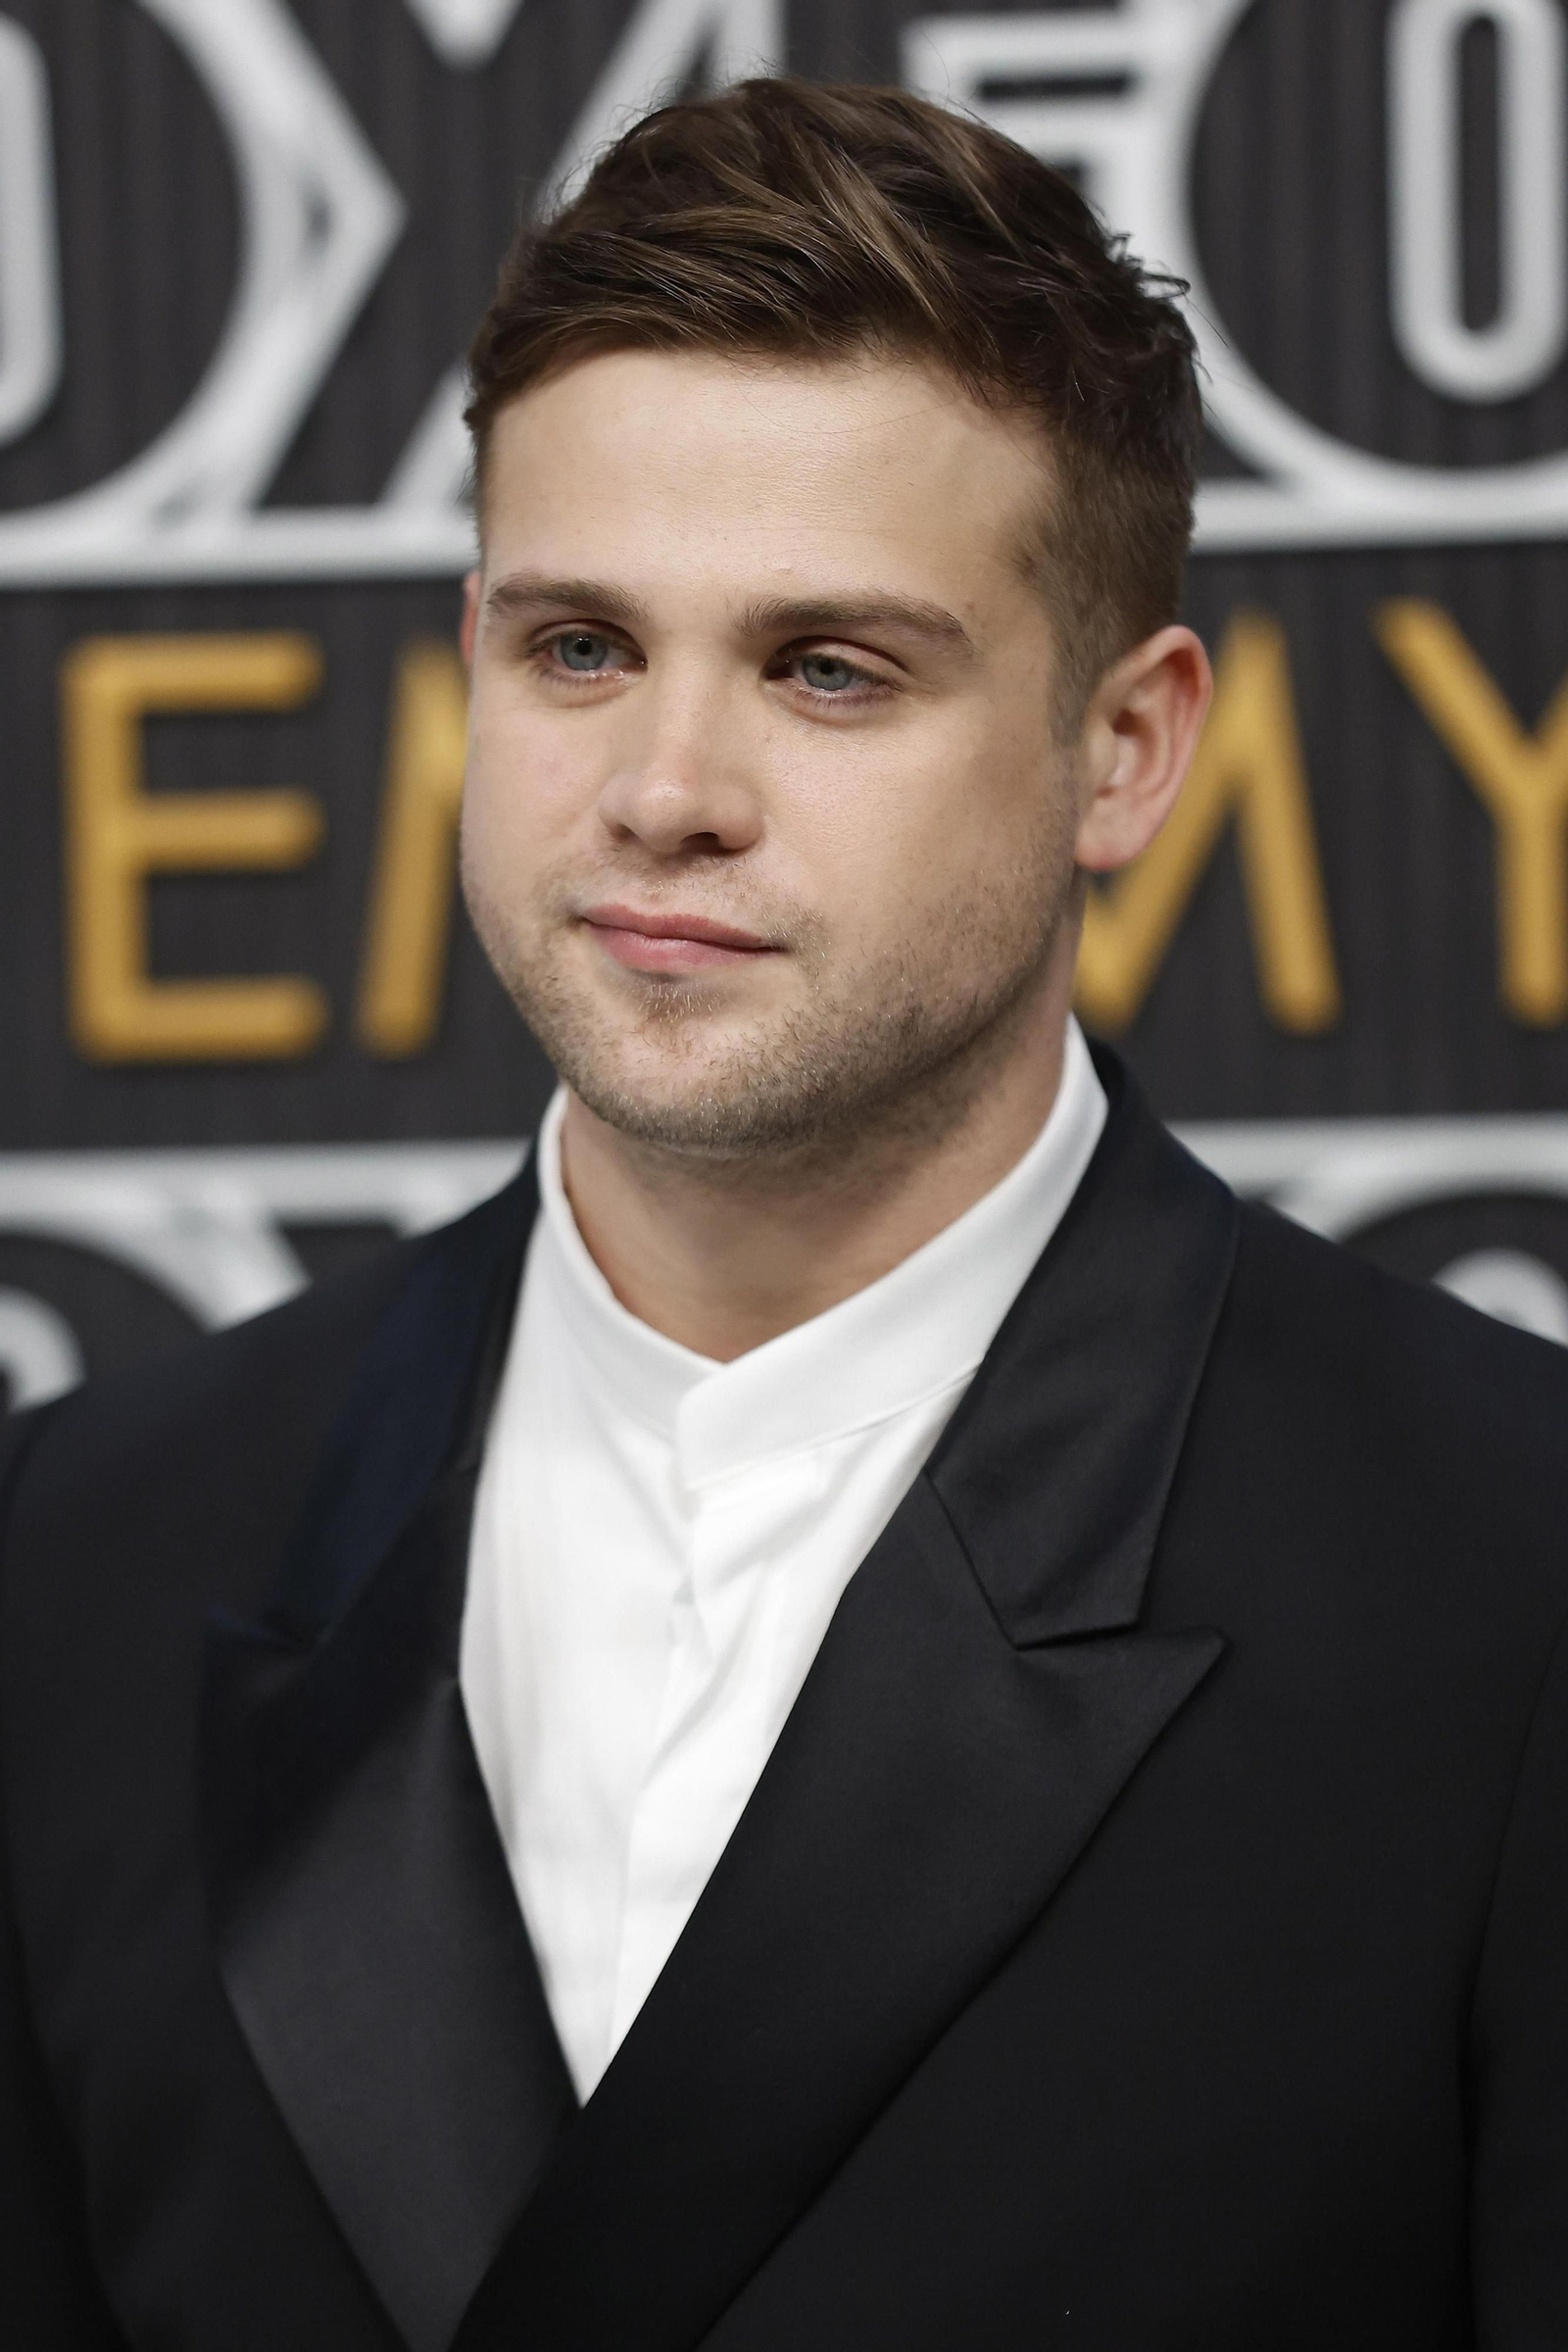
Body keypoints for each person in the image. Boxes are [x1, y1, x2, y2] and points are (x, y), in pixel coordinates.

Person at [3, 74, 1566, 2352]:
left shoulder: (1509, 1574)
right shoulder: (76, 1553)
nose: (661, 794)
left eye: (827, 669)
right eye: (576, 649)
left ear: (1121, 749)